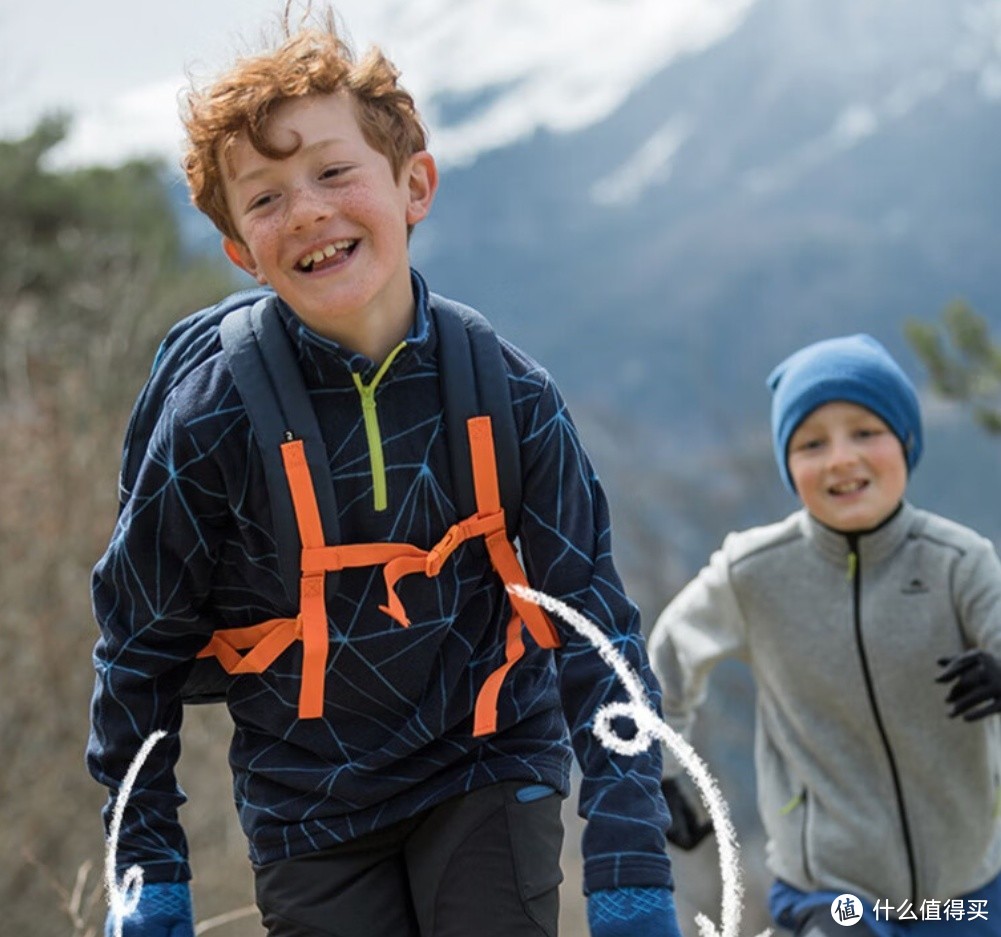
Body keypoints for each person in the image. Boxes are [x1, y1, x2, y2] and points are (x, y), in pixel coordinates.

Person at [87, 6, 682, 937]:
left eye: (333, 172)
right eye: (267, 198)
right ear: (241, 251)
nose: (310, 212)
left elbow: (599, 636)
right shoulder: (210, 424)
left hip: (488, 758)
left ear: (415, 184)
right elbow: (137, 653)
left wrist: (628, 869)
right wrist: (147, 875)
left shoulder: (509, 397)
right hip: (307, 801)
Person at [648, 333, 1001, 937]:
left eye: (865, 432)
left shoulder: (959, 562)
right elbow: (666, 659)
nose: (840, 458)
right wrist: (658, 773)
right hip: (830, 892)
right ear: (788, 463)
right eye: (812, 443)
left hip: (965, 891)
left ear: (906, 441)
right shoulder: (753, 572)